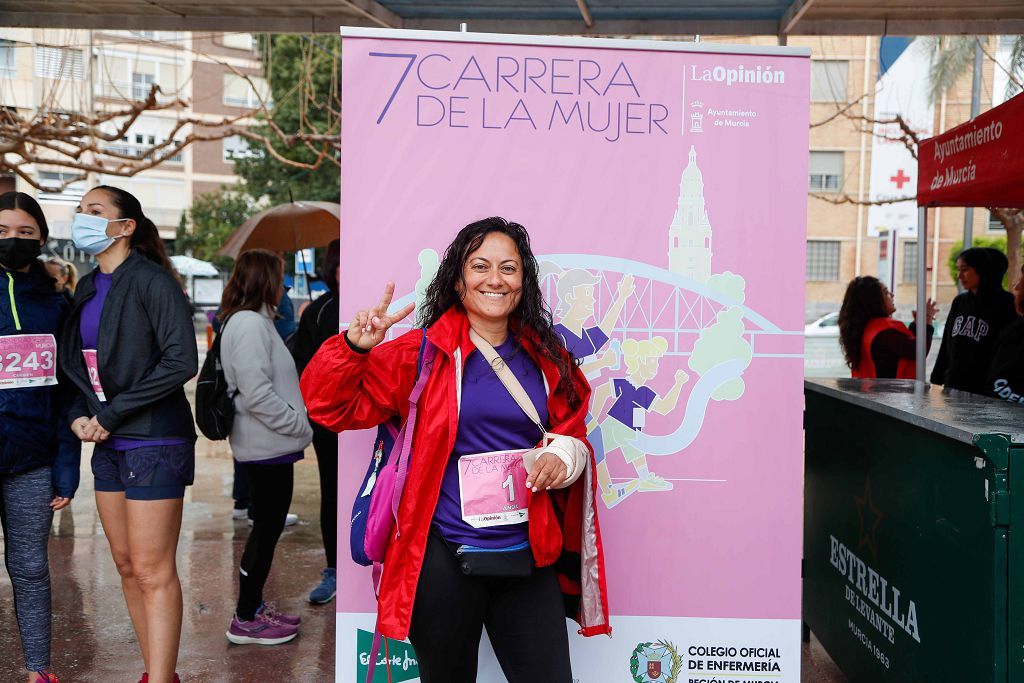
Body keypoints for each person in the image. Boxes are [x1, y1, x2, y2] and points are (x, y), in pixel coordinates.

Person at [300, 217, 610, 682]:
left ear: (523, 280)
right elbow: (330, 408)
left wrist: (561, 457)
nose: (495, 279)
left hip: (527, 552)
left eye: (509, 268)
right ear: (458, 278)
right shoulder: (420, 354)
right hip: (441, 555)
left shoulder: (548, 357)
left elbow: (573, 431)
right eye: (480, 265)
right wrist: (354, 348)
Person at [59, 185, 197, 683]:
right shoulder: (86, 287)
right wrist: (80, 412)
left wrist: (113, 413)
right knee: (125, 564)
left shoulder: (153, 282)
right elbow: (76, 364)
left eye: (95, 212)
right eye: (80, 212)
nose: (84, 220)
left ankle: (162, 679)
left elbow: (182, 360)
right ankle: (153, 671)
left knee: (153, 568)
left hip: (154, 439)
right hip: (106, 440)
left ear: (125, 226)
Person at [0, 192, 80, 683]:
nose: (13, 240)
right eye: (4, 231)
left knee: (30, 568)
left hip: (32, 459)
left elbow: (68, 390)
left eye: (25, 233)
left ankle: (39, 670)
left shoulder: (56, 302)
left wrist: (66, 468)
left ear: (42, 239)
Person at [219, 249, 313, 645]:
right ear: (264, 280)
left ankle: (253, 608)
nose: (285, 286)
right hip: (267, 445)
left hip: (269, 444)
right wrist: (298, 425)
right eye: (280, 277)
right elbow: (256, 393)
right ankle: (245, 616)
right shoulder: (248, 324)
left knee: (268, 528)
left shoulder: (255, 321)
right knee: (266, 529)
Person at [289, 239, 340, 604]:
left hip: (384, 423)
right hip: (331, 425)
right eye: (341, 263)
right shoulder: (319, 312)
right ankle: (335, 569)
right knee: (333, 493)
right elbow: (304, 371)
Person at [930, 247, 1017, 393]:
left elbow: (1006, 353)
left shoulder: (1007, 304)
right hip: (954, 385)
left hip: (986, 390)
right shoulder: (960, 302)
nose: (959, 276)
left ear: (982, 270)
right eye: (958, 269)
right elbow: (947, 342)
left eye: (964, 269)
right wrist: (938, 377)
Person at [838, 276, 937, 379]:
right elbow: (918, 351)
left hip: (869, 391)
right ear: (873, 300)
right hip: (889, 393)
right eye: (886, 292)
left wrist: (916, 324)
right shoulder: (884, 332)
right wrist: (927, 320)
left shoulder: (866, 328)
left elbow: (905, 346)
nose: (892, 295)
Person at [988, 264, 1024, 405]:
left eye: (1021, 281)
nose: (1016, 287)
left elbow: (998, 383)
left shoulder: (1017, 331)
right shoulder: (1017, 329)